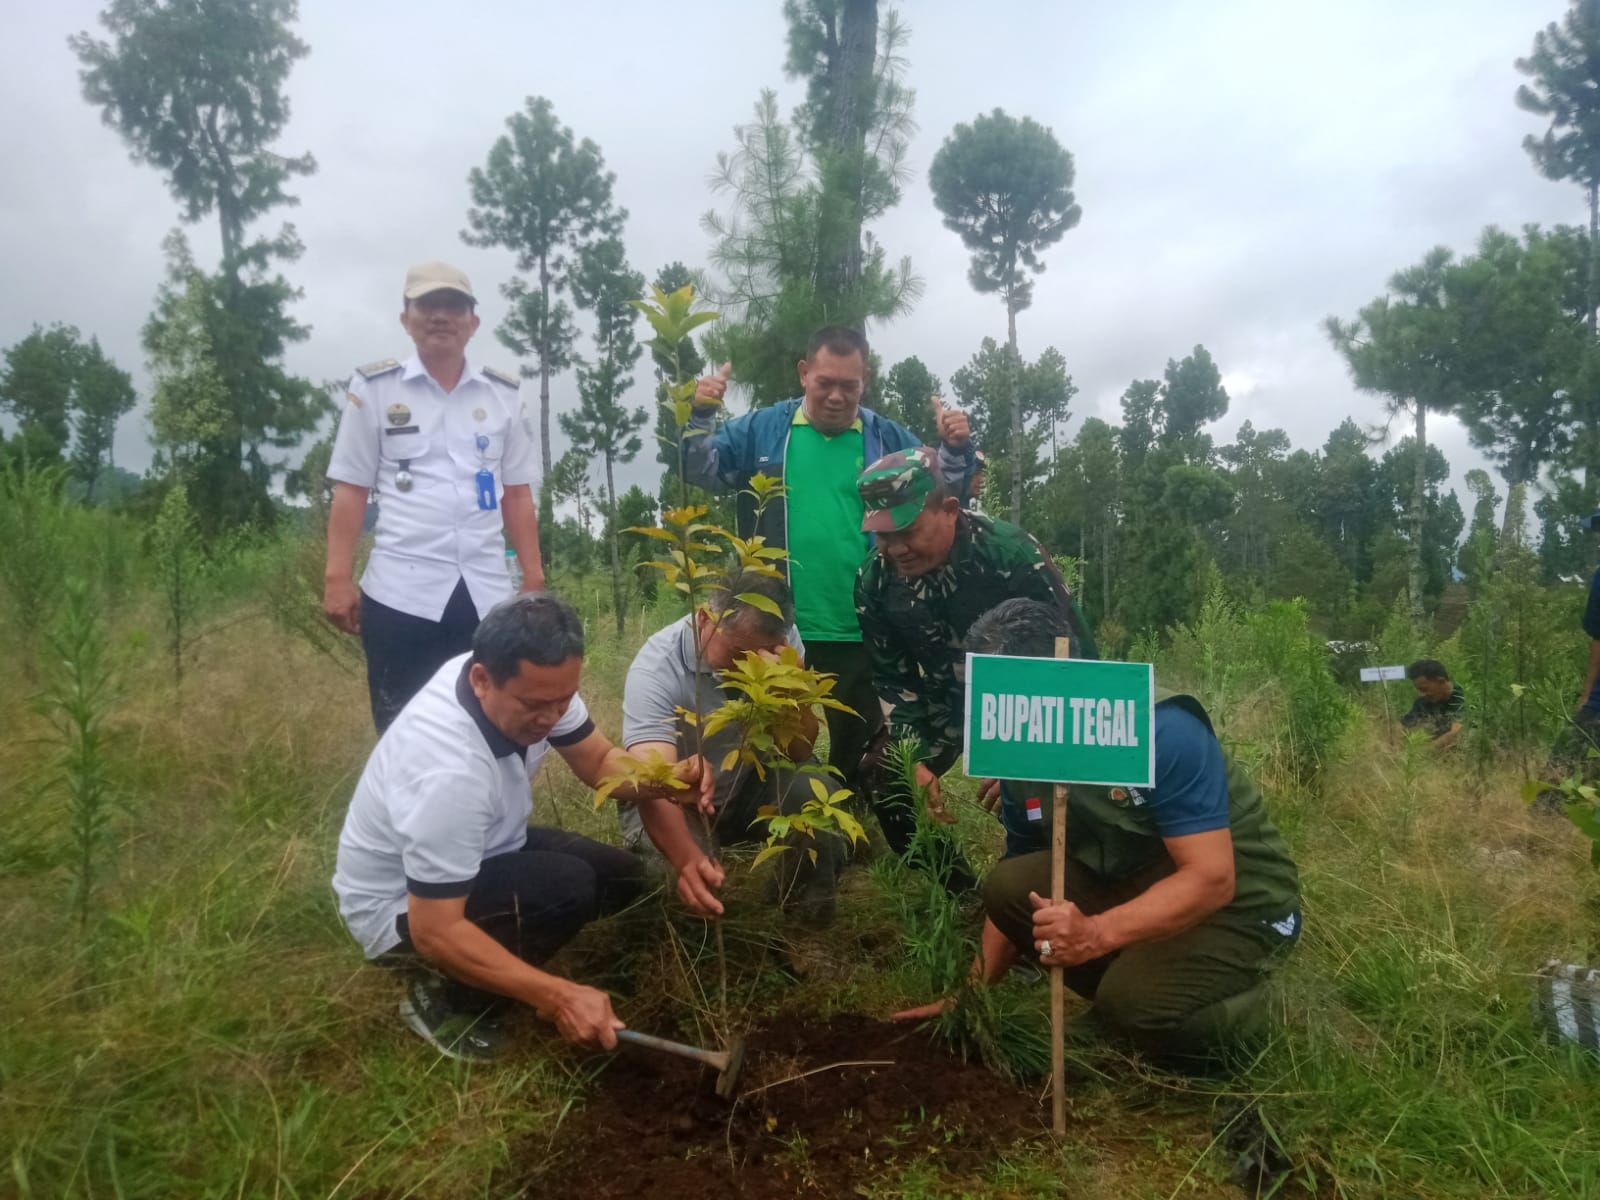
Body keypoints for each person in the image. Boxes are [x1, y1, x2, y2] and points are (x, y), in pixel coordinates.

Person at [894, 599, 1303, 1066]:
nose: (986, 707)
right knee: (1009, 885)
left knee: (1134, 1007)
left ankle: (1268, 1008)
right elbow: (1024, 876)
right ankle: (1137, 987)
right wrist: (970, 993)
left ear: (1058, 674)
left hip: (1240, 906)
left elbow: (1212, 878)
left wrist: (1095, 934)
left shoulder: (1161, 729)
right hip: (1141, 886)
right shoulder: (1021, 746)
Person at [332, 593, 723, 1062]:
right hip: (402, 914)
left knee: (621, 879)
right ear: (482, 680)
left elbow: (599, 761)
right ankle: (443, 1000)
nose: (550, 718)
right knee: (567, 888)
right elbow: (435, 929)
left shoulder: (522, 678)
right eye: (536, 705)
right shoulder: (446, 770)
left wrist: (663, 781)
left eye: (562, 701)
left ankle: (504, 964)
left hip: (483, 851)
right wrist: (557, 996)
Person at [680, 326, 974, 834]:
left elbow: (942, 491)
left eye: (850, 386)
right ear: (803, 375)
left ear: (865, 383)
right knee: (767, 729)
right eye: (825, 383)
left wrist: (952, 448)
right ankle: (756, 823)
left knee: (854, 736)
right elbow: (701, 470)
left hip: (859, 621)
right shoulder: (763, 431)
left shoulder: (886, 439)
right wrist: (702, 414)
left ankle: (845, 833)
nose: (837, 396)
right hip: (772, 623)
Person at [853, 447, 1097, 895]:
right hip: (946, 703)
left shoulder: (1011, 555)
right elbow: (895, 680)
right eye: (881, 536)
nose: (895, 549)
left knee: (1036, 803)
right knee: (884, 772)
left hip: (1030, 707)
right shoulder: (875, 580)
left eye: (906, 530)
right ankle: (961, 895)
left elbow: (1074, 654)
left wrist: (1018, 750)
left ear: (949, 510)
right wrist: (915, 759)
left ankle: (1040, 900)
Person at [323, 260, 545, 733]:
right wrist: (337, 577)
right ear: (406, 318)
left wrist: (533, 576)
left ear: (473, 322)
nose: (441, 315)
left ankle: (488, 811)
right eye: (428, 304)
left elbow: (518, 494)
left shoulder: (503, 394)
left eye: (454, 305)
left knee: (488, 729)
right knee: (402, 731)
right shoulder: (376, 389)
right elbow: (351, 487)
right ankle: (404, 810)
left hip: (486, 598)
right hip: (400, 595)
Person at [618, 570, 839, 922]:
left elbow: (798, 751)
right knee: (677, 880)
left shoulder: (783, 644)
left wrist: (792, 689)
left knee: (816, 794)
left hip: (751, 783)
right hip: (678, 798)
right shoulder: (657, 669)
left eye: (765, 654)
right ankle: (689, 951)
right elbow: (652, 779)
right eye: (738, 652)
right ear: (706, 618)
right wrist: (688, 854)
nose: (752, 666)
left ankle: (802, 923)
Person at [1398, 659, 1464, 749]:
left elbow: (1456, 733)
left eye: (1425, 689)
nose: (1421, 694)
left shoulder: (1462, 697)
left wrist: (1422, 753)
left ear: (1441, 681)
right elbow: (1402, 726)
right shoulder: (1422, 702)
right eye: (1419, 690)